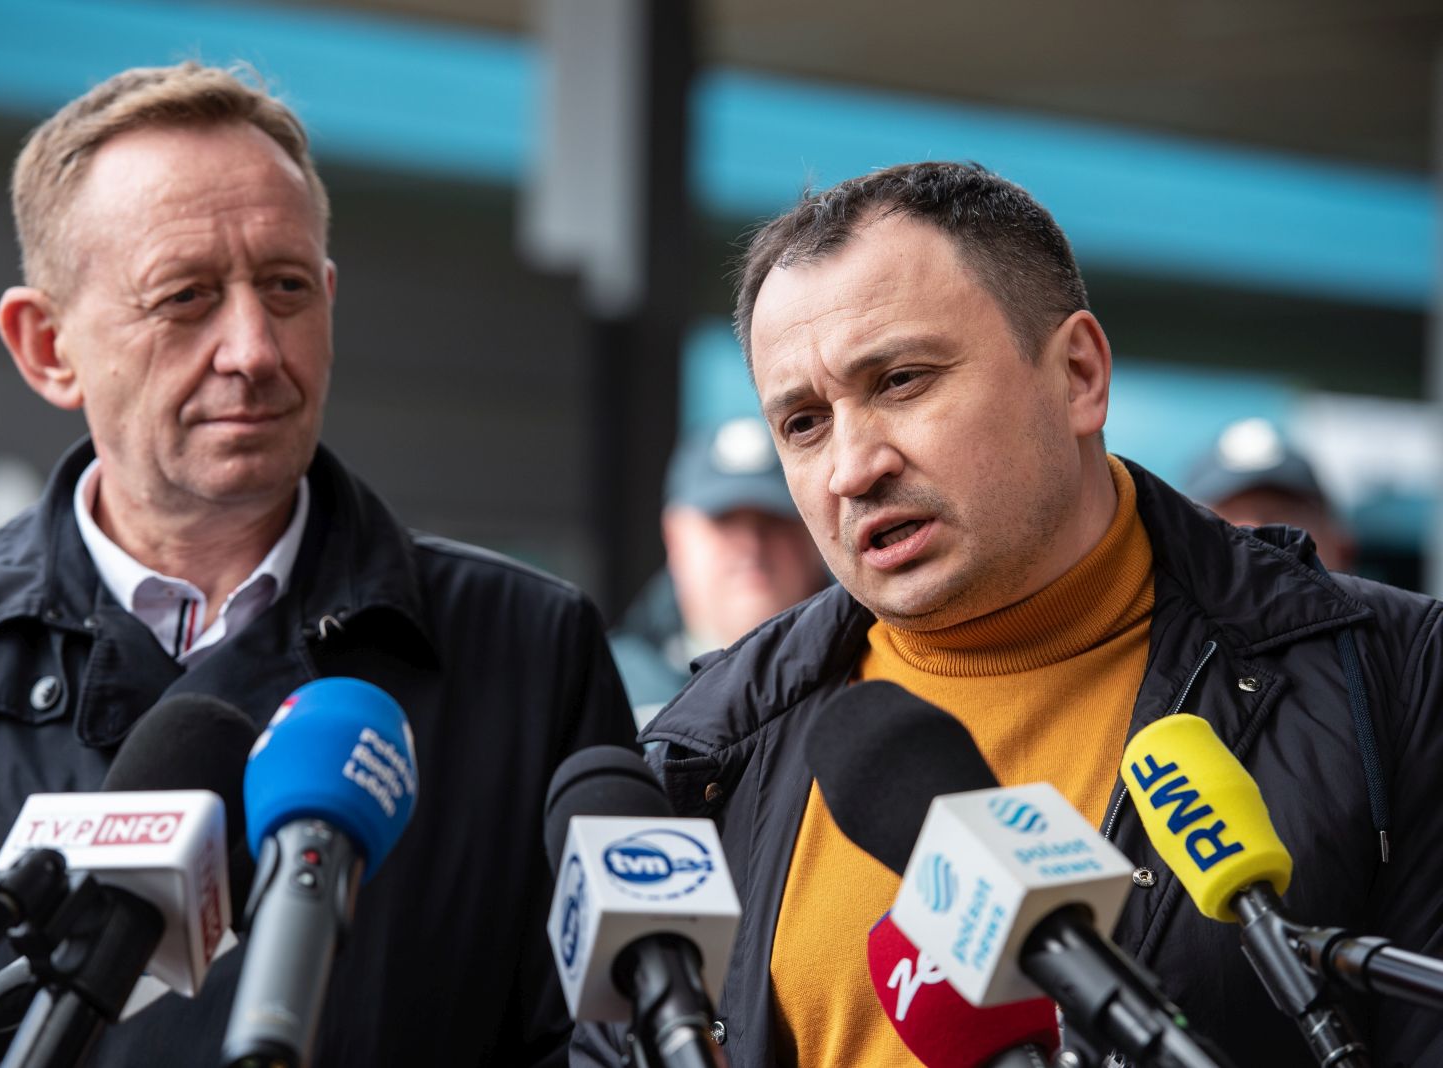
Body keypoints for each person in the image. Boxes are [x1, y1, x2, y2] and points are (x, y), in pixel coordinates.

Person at [0, 63, 635, 1066]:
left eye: (286, 287)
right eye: (186, 297)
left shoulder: (529, 650)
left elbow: (598, 1043)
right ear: (47, 346)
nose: (254, 348)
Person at [572, 163, 1443, 1067]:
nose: (850, 468)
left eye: (901, 380)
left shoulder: (1390, 677)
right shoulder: (702, 754)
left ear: (1077, 374)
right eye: (803, 424)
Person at [610, 416, 827, 726]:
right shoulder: (608, 681)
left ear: (812, 535)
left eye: (773, 519)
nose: (752, 545)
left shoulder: (874, 664)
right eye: (724, 521)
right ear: (674, 537)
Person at [1187, 417, 1356, 573]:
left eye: (1284, 514)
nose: (1255, 533)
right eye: (1225, 520)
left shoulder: (1378, 602)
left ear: (1340, 544)